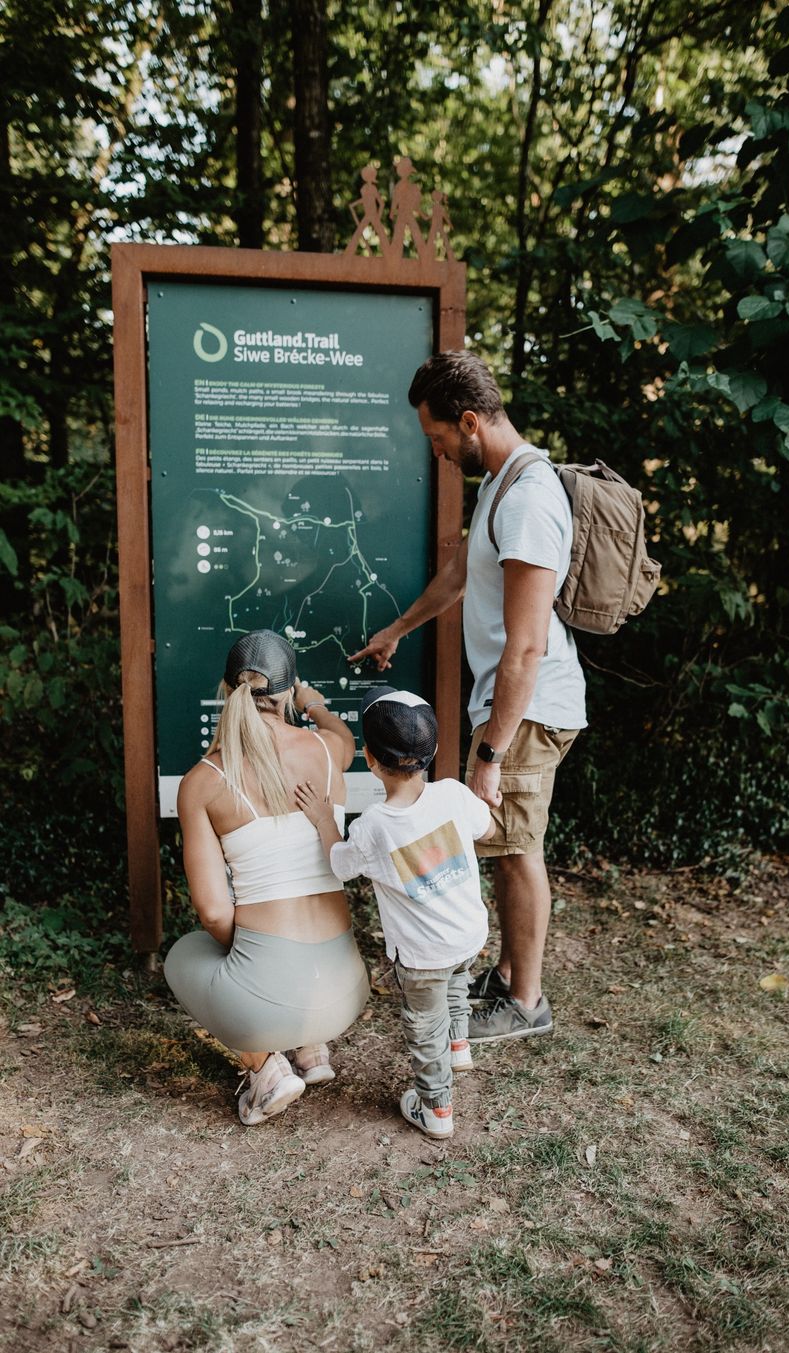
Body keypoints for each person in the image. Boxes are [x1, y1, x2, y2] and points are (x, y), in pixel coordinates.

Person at [348, 351, 586, 1043]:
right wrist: (397, 629)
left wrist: (491, 754)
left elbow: (527, 646)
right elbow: (459, 574)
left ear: (471, 421)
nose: (438, 451)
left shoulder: (530, 498)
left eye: (438, 436)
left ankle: (527, 1002)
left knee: (518, 849)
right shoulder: (501, 486)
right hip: (513, 706)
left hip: (528, 708)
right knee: (508, 841)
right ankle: (509, 976)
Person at [164, 630, 370, 1125]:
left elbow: (214, 912)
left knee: (183, 956)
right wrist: (315, 706)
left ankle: (267, 1071)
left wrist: (263, 956)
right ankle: (312, 1049)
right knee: (284, 961)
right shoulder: (327, 751)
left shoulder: (203, 782)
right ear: (288, 691)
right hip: (345, 991)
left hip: (269, 1005)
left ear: (226, 689)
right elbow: (344, 738)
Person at [296, 687, 493, 1139]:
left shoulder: (373, 828)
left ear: (368, 758)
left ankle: (436, 1107)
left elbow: (341, 866)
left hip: (423, 957)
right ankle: (458, 1044)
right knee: (457, 979)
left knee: (425, 1025)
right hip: (468, 934)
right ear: (433, 752)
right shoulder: (454, 794)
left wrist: (325, 821)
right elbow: (485, 828)